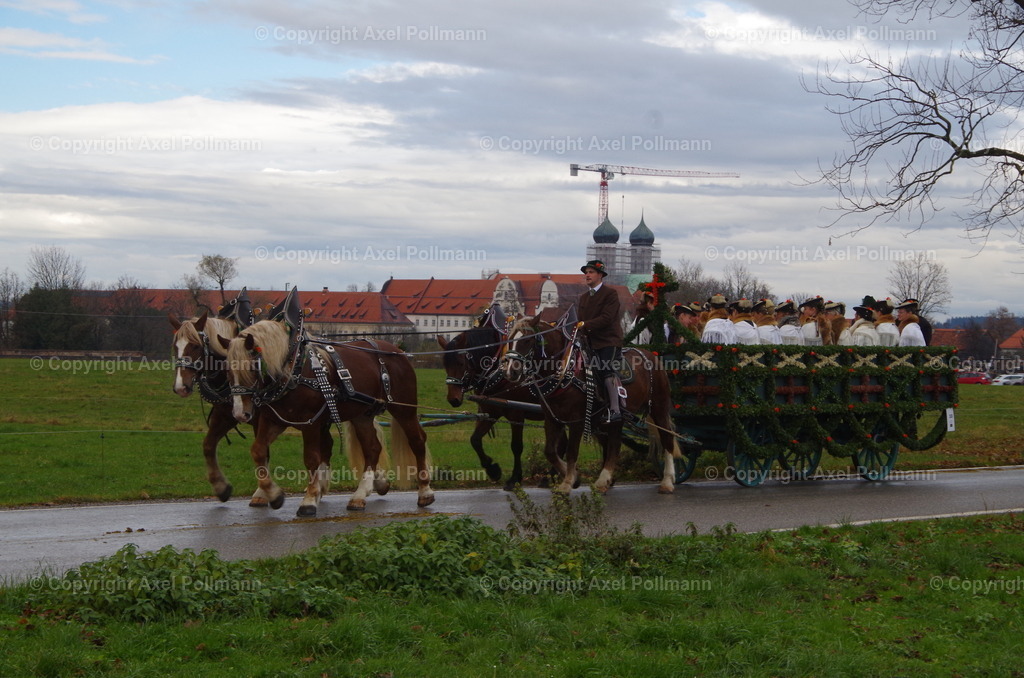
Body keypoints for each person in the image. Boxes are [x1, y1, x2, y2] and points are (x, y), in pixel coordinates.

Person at [578, 259, 625, 421]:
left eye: (591, 272)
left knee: (606, 369)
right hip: (589, 342)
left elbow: (607, 318)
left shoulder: (610, 294)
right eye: (586, 272)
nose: (587, 275)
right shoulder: (583, 297)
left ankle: (615, 409)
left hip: (608, 341)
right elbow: (579, 321)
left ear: (600, 275)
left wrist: (585, 325)